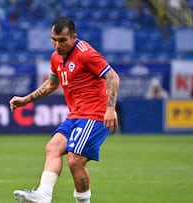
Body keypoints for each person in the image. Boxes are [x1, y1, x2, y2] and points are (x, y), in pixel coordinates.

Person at [9, 16, 120, 203]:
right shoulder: (56, 57)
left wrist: (110, 109)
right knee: (52, 148)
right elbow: (52, 84)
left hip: (95, 114)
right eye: (53, 39)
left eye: (62, 40)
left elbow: (113, 77)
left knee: (75, 160)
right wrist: (26, 100)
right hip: (76, 115)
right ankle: (43, 195)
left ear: (74, 37)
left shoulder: (86, 53)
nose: (57, 45)